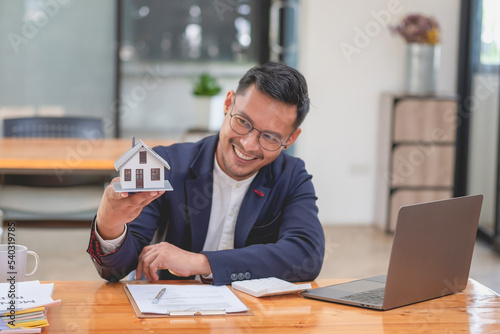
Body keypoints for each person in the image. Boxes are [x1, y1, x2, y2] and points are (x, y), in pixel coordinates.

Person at [87, 62, 325, 285]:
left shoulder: (291, 175)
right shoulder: (168, 165)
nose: (249, 144)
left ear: (291, 138)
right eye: (243, 121)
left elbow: (306, 255)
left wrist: (202, 262)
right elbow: (116, 270)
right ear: (228, 104)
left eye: (270, 137)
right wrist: (110, 224)